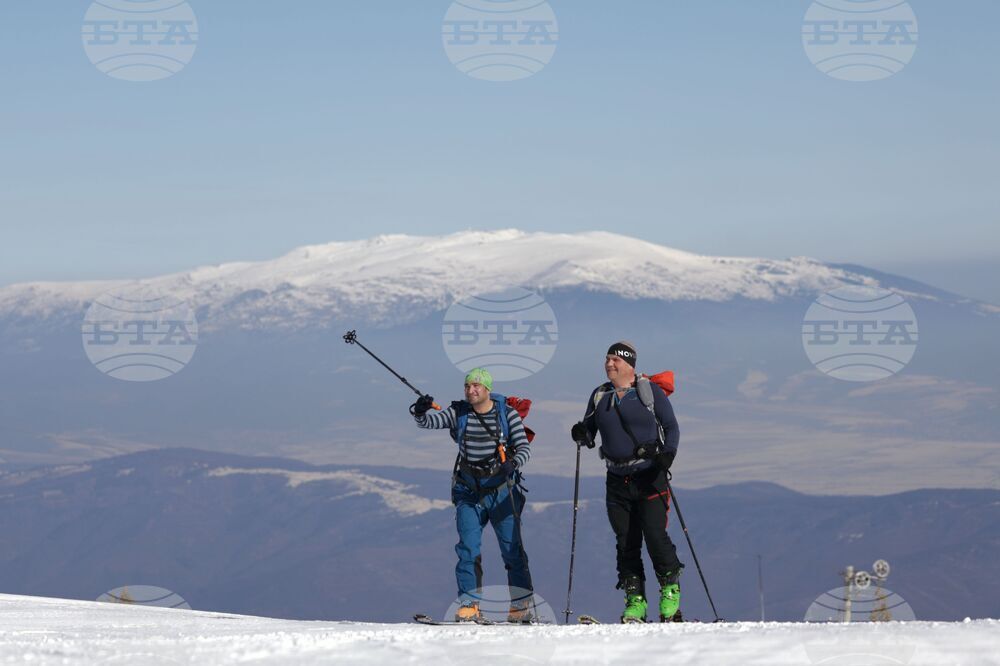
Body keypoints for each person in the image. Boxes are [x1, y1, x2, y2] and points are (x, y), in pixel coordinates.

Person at [571, 341, 683, 623]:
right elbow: (590, 429)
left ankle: (670, 590)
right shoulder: (600, 395)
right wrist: (582, 433)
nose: (609, 364)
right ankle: (636, 600)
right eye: (607, 360)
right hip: (616, 479)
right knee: (626, 542)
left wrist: (667, 455)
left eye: (615, 360)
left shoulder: (648, 392)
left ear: (629, 364)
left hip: (649, 476)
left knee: (655, 536)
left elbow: (671, 426)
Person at [411, 367, 534, 623]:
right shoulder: (459, 413)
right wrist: (420, 410)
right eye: (468, 386)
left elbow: (523, 447)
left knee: (512, 550)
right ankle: (469, 604)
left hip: (502, 491)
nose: (471, 390)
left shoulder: (506, 414)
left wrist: (514, 463)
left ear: (487, 389)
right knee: (468, 548)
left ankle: (521, 606)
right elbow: (429, 422)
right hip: (468, 490)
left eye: (477, 386)